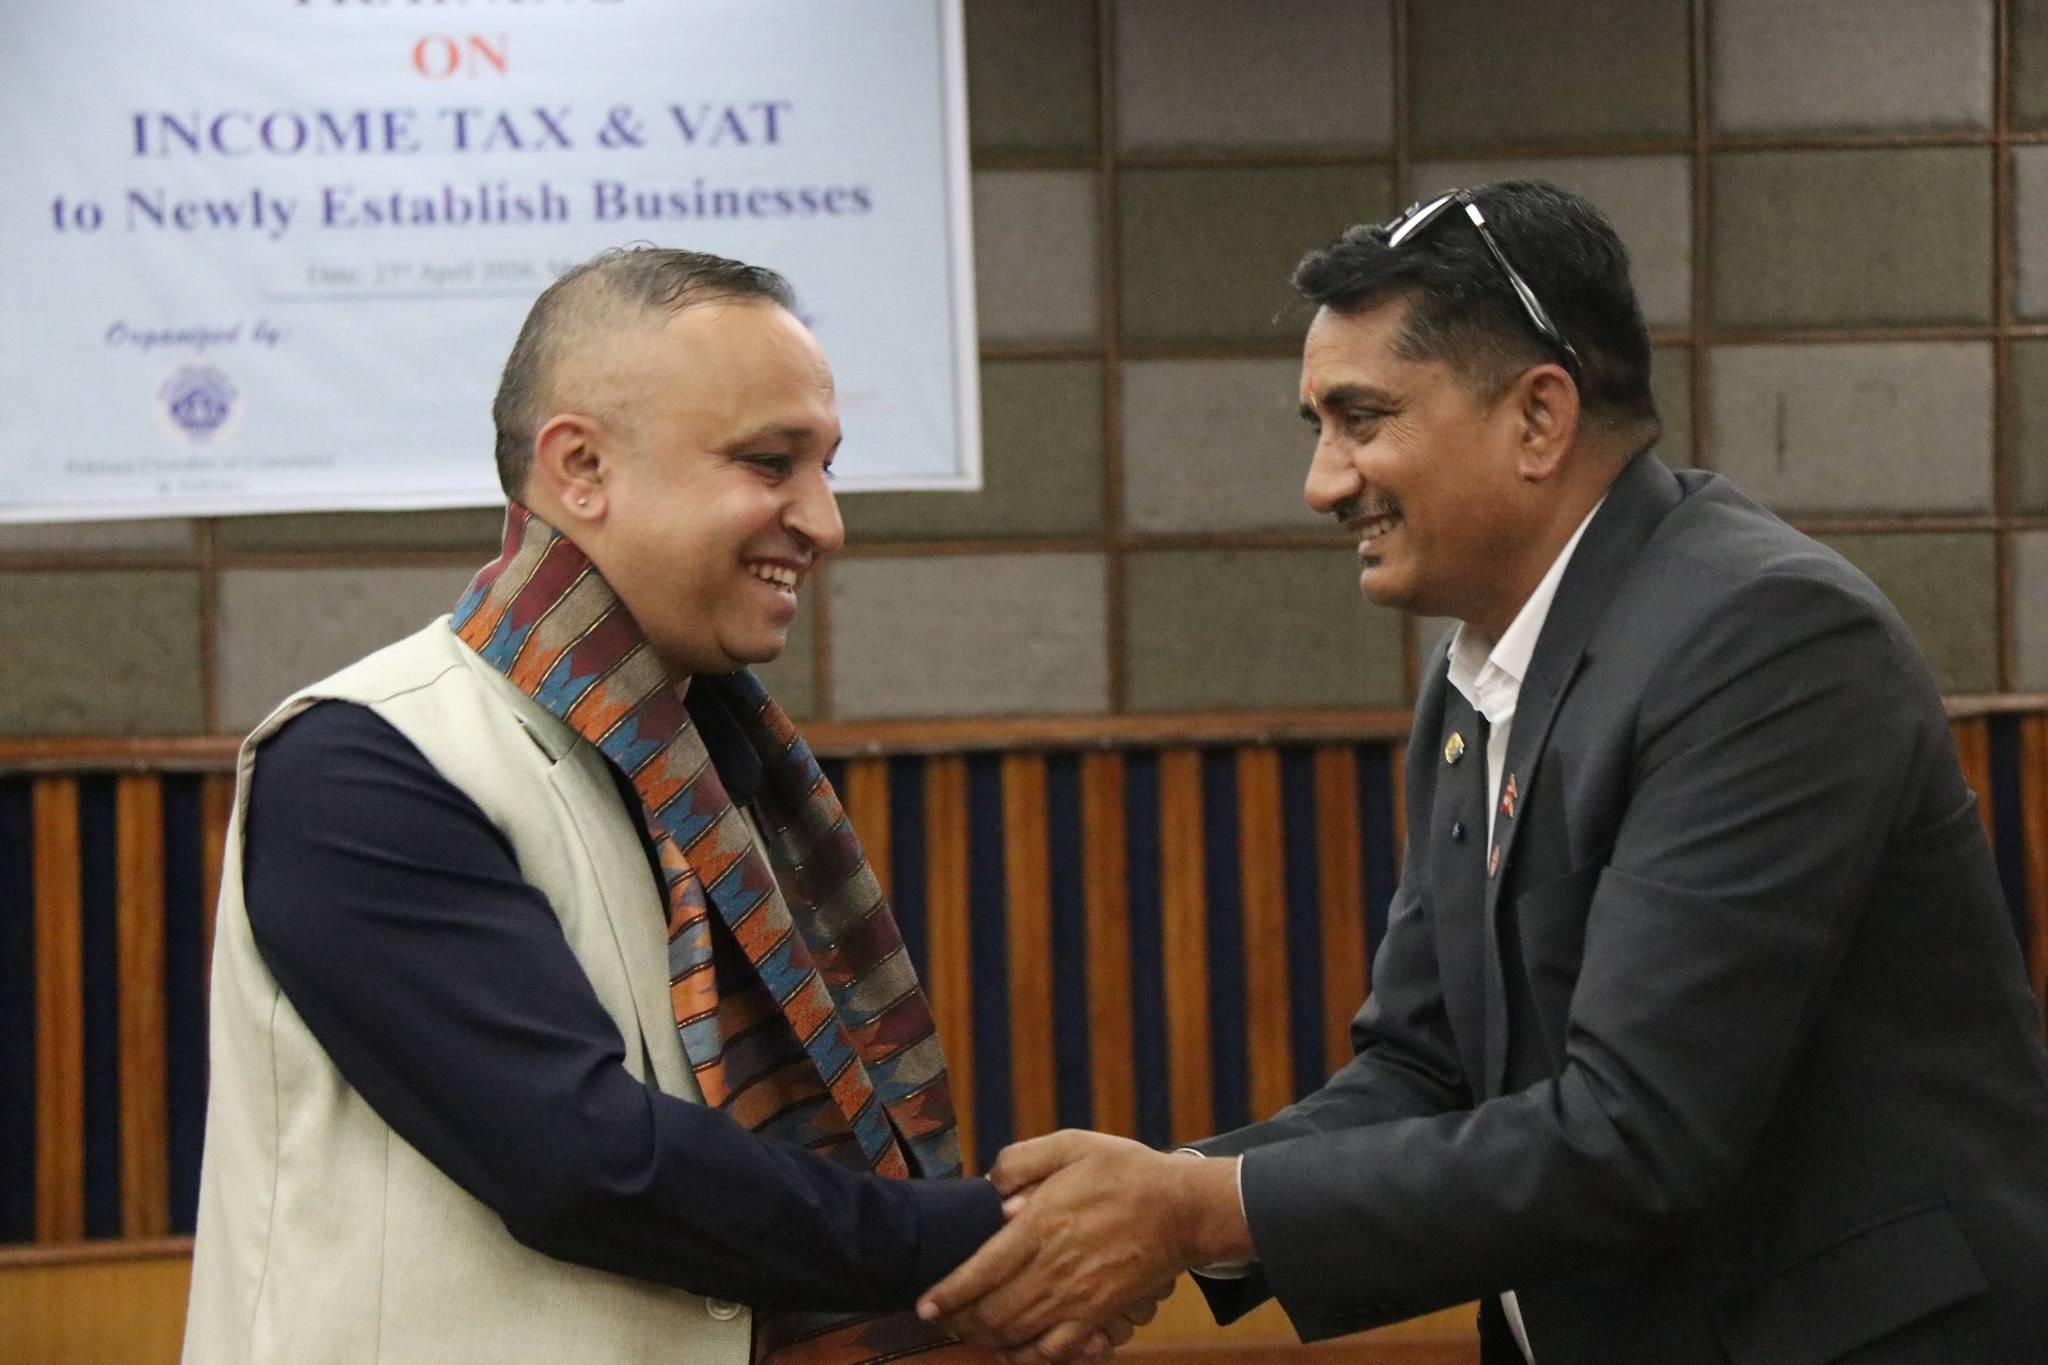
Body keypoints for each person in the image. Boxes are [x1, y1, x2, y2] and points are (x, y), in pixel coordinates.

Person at [917, 182, 2048, 1363]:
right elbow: (1427, 1068)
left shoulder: (1764, 637)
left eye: (1360, 419)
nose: (1322, 482)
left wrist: (1194, 1210)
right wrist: (1165, 1197)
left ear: (1538, 419)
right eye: (1319, 428)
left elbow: (1636, 1135)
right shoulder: (1477, 672)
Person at [185, 248, 1027, 1363]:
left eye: (826, 467)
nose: (824, 521)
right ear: (580, 467)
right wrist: (990, 1235)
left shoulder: (714, 768)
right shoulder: (363, 760)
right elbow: (584, 1163)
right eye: (770, 461)